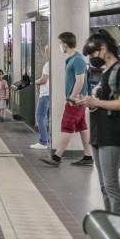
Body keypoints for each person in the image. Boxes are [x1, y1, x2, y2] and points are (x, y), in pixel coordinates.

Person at [76, 30, 120, 214]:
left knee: (111, 186)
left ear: (103, 49)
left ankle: (117, 231)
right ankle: (110, 226)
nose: (91, 58)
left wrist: (95, 102)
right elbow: (102, 102)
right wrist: (88, 101)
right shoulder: (105, 73)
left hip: (111, 134)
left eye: (92, 53)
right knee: (103, 186)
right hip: (98, 133)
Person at [39, 32, 93, 167]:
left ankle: (56, 157)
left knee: (67, 126)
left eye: (60, 44)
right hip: (78, 99)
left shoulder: (78, 59)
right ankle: (88, 156)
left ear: (64, 44)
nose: (59, 46)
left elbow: (80, 82)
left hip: (76, 100)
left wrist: (72, 98)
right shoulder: (72, 59)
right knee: (82, 126)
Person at [31, 46, 51, 149]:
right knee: (49, 118)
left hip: (45, 94)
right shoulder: (57, 64)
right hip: (51, 93)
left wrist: (36, 82)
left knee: (39, 117)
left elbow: (44, 80)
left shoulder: (48, 64)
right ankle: (51, 140)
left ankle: (43, 142)